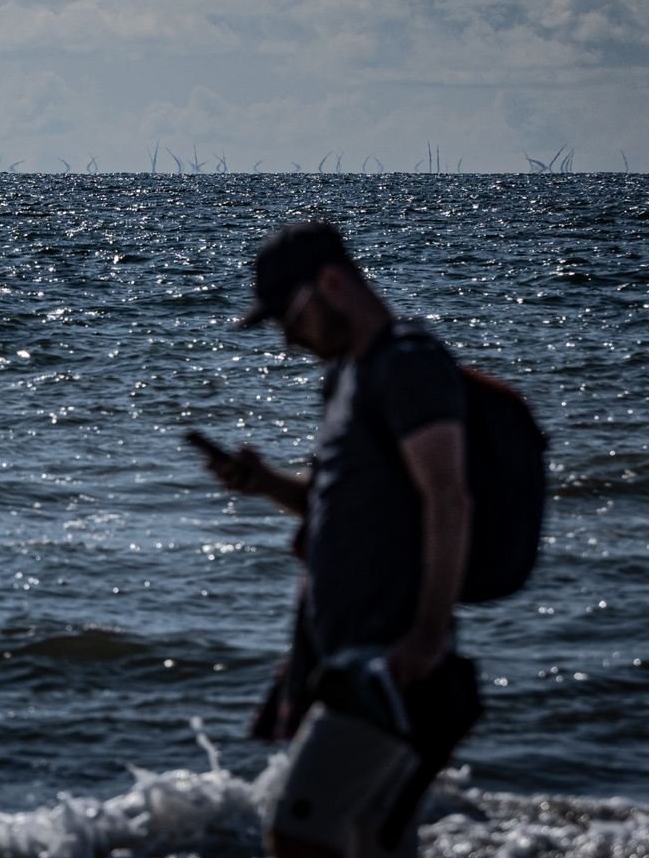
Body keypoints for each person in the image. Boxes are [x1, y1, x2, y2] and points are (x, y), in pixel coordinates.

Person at [205, 221, 479, 858]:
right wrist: (266, 482)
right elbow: (334, 508)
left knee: (299, 832)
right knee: (370, 842)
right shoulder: (348, 378)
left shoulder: (407, 364)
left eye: (289, 315)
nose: (286, 336)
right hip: (353, 656)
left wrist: (428, 637)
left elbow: (449, 498)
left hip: (391, 661)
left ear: (332, 283)